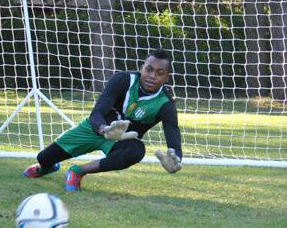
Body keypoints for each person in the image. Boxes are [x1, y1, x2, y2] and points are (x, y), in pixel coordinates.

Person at [22, 48, 182, 192]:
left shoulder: (165, 103)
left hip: (122, 140)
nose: (152, 76)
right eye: (149, 69)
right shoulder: (123, 80)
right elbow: (97, 112)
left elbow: (173, 134)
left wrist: (176, 160)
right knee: (43, 158)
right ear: (142, 67)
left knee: (136, 151)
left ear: (167, 77)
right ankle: (46, 167)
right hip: (95, 128)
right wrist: (105, 130)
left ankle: (78, 171)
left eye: (160, 73)